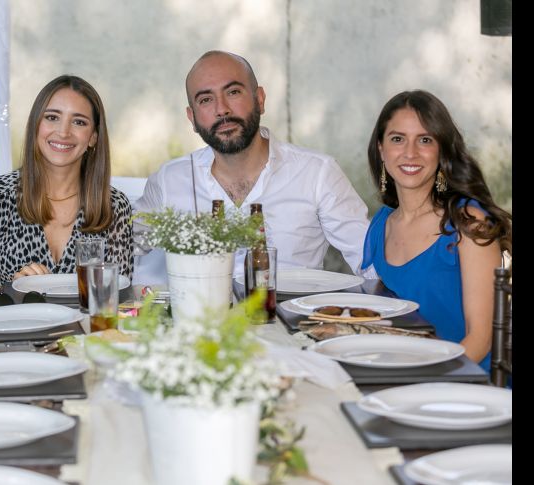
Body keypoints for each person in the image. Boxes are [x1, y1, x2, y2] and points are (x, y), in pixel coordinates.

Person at [133, 50, 369, 285]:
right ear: (192, 118)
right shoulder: (170, 180)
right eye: (205, 100)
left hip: (289, 310)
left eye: (233, 92)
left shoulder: (317, 173)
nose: (222, 109)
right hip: (201, 310)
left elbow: (369, 263)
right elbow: (123, 251)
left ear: (260, 100)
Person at [362, 90, 512, 369]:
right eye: (398, 139)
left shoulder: (468, 221)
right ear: (381, 149)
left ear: (441, 150)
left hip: (465, 379)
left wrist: (422, 378)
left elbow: (481, 340)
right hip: (400, 371)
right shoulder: (381, 224)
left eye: (425, 140)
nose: (410, 153)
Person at [0, 75, 133, 285]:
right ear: (36, 125)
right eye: (52, 117)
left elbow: (118, 293)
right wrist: (14, 289)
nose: (63, 132)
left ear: (93, 137)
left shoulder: (114, 206)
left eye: (79, 122)